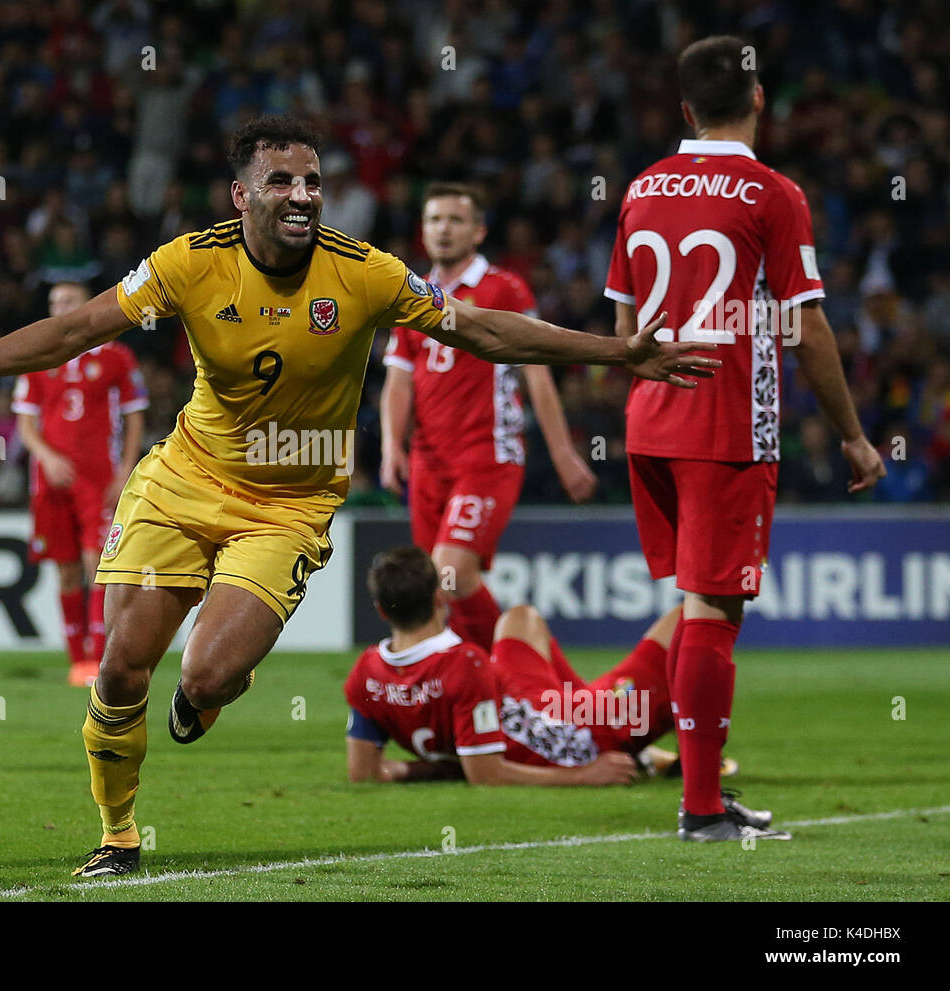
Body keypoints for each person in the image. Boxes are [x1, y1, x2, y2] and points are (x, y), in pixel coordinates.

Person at [0, 114, 719, 877]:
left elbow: (485, 330)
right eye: (283, 181)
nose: (303, 194)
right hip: (187, 476)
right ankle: (119, 834)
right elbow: (75, 329)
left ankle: (196, 702)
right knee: (124, 659)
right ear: (241, 195)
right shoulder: (188, 263)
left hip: (289, 504)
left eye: (313, 180)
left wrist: (617, 354)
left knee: (207, 673)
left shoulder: (366, 273)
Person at [603, 36, 884, 841]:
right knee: (715, 611)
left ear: (684, 109)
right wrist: (855, 437)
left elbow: (625, 328)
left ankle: (705, 795)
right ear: (760, 100)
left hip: (650, 422)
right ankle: (698, 808)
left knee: (697, 603)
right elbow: (807, 325)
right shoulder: (771, 192)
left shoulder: (642, 187)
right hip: (726, 425)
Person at [345, 547, 764, 824]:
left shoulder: (365, 673)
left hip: (526, 702)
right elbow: (485, 774)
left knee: (519, 618)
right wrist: (584, 775)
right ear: (441, 598)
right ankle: (669, 752)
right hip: (573, 733)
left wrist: (420, 768)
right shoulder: (464, 662)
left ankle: (638, 744)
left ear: (381, 608)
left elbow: (363, 772)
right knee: (696, 617)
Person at [381, 182, 597, 649]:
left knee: (451, 572)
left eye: (456, 220)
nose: (443, 229)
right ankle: (480, 684)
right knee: (436, 590)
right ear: (422, 229)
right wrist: (390, 446)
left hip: (487, 456)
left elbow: (536, 373)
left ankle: (507, 669)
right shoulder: (413, 293)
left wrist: (563, 453)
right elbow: (399, 379)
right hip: (428, 462)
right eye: (435, 219)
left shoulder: (504, 287)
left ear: (479, 232)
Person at [13, 282, 148, 687]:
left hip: (98, 478)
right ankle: (78, 662)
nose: (59, 308)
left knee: (99, 565)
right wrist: (48, 457)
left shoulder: (116, 357)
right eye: (54, 302)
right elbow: (25, 423)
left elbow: (134, 414)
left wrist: (126, 467)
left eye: (67, 302)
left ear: (85, 306)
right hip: (51, 480)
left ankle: (101, 656)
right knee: (67, 569)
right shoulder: (38, 357)